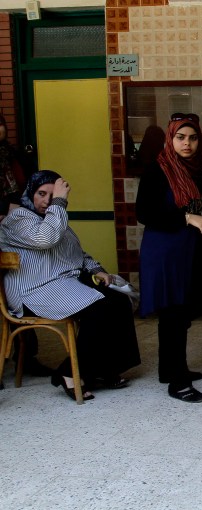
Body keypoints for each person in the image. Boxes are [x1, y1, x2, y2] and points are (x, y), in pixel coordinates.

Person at [0, 170, 140, 401]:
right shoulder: (18, 219)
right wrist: (59, 202)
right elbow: (45, 239)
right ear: (30, 194)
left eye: (52, 194)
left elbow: (77, 252)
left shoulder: (55, 218)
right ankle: (68, 373)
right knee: (101, 309)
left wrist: (97, 270)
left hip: (61, 285)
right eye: (41, 194)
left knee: (119, 302)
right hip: (33, 291)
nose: (47, 200)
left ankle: (103, 370)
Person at [137, 113, 202, 403]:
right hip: (165, 253)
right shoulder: (157, 170)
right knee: (172, 313)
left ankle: (170, 369)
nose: (187, 143)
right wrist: (188, 218)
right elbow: (144, 213)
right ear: (170, 139)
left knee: (181, 313)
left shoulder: (193, 170)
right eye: (180, 137)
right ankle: (178, 381)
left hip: (187, 252)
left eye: (193, 138)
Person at [0, 113, 51, 378]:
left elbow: (30, 187)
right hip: (7, 224)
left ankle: (26, 358)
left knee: (20, 286)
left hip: (18, 226)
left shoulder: (14, 156)